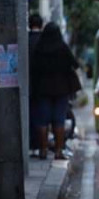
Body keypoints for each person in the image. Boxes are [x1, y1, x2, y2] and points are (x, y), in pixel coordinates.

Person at [30, 22, 81, 160]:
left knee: (43, 121)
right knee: (59, 120)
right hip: (61, 90)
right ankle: (59, 151)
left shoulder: (40, 48)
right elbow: (74, 64)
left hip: (43, 90)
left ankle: (43, 150)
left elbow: (34, 68)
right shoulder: (62, 48)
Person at [27, 13, 44, 151]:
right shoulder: (45, 40)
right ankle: (40, 145)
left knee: (29, 115)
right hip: (43, 85)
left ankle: (31, 144)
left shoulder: (25, 40)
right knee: (41, 116)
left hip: (27, 84)